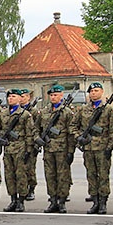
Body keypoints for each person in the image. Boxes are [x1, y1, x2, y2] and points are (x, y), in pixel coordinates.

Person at [73, 82, 113, 215]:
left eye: (96, 91)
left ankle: (103, 202)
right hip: (88, 148)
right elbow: (73, 126)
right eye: (91, 91)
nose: (93, 93)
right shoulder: (83, 109)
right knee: (91, 175)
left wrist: (109, 147)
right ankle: (95, 201)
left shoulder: (108, 109)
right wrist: (79, 137)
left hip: (102, 148)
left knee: (103, 176)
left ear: (102, 92)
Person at [38, 84, 75, 214]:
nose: (53, 97)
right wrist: (38, 139)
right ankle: (53, 200)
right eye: (51, 95)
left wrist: (71, 151)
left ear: (61, 96)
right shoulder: (44, 111)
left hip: (62, 149)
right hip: (48, 149)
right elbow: (36, 128)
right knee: (50, 175)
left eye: (56, 95)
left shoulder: (67, 112)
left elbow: (71, 133)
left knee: (62, 176)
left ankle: (62, 201)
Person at [0, 89, 36, 212]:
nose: (10, 99)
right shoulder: (3, 114)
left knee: (21, 176)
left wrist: (28, 150)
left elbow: (29, 133)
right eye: (9, 97)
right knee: (9, 176)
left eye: (13, 96)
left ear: (20, 99)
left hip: (20, 148)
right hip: (8, 148)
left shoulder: (25, 114)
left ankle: (21, 201)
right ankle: (13, 200)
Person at [19, 89, 40, 201]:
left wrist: (36, 145)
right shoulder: (16, 111)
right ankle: (22, 189)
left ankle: (31, 189)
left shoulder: (34, 111)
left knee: (30, 168)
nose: (21, 99)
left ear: (28, 97)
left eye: (23, 96)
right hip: (19, 145)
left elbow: (37, 128)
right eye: (20, 96)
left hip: (31, 144)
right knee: (20, 169)